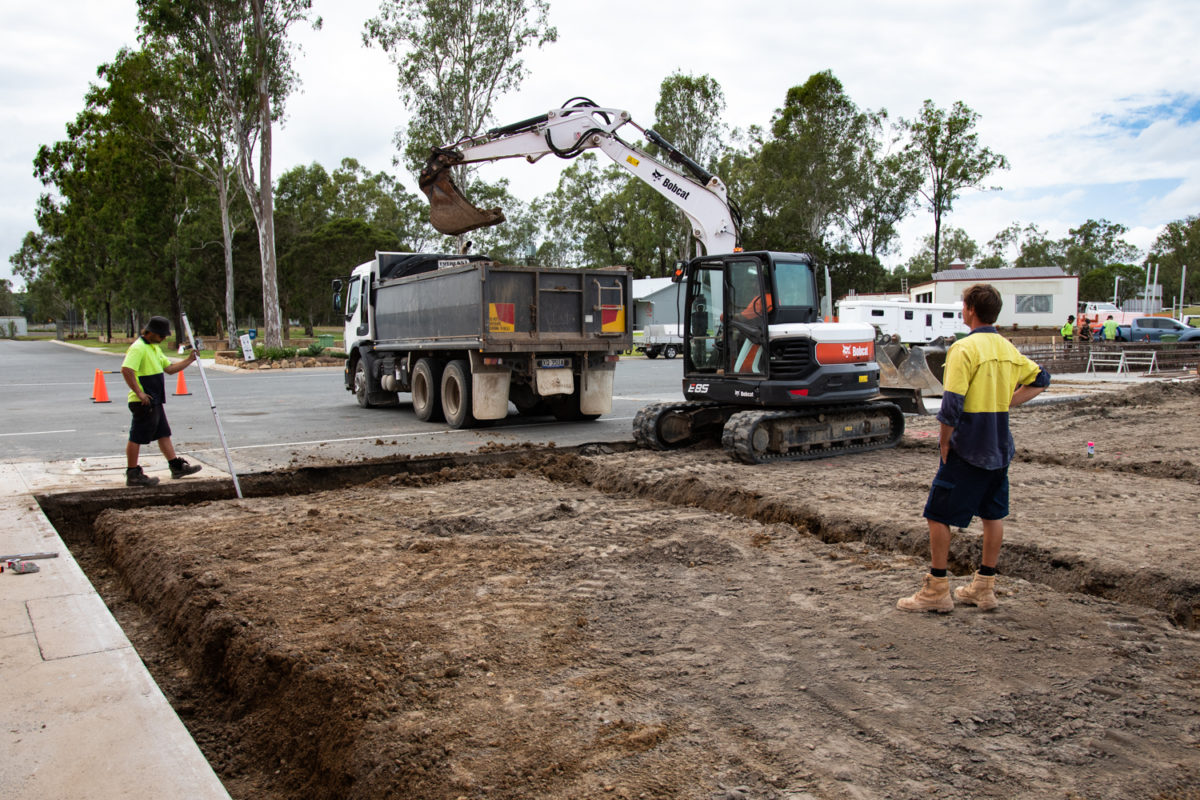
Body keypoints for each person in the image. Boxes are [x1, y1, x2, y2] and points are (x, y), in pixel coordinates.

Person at [897, 284, 1051, 613]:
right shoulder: (1007, 349)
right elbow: (1041, 379)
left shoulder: (963, 349)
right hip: (998, 445)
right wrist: (1006, 402)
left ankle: (937, 589)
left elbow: (951, 405)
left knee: (937, 514)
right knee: (992, 514)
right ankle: (984, 587)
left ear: (969, 310)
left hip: (968, 446)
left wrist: (944, 440)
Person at [121, 316, 203, 487]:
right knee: (137, 436)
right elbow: (127, 370)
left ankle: (175, 466)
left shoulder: (154, 348)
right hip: (143, 401)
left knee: (163, 433)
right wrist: (139, 393)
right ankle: (133, 473)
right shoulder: (138, 348)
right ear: (150, 332)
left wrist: (189, 360)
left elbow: (169, 369)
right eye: (161, 335)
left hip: (155, 400)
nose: (163, 338)